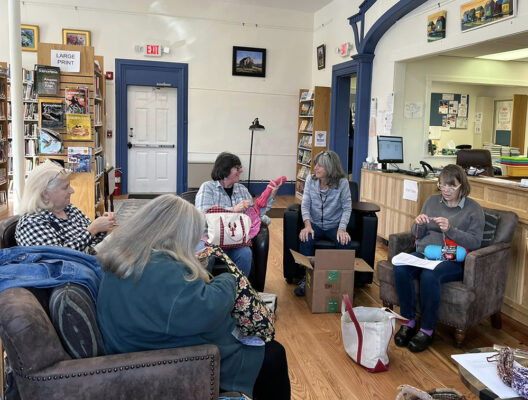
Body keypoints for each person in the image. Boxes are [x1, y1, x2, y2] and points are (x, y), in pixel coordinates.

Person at [96, 194, 290, 399]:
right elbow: (208, 309)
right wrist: (228, 280)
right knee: (273, 354)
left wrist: (188, 265)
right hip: (176, 359)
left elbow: (172, 302)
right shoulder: (161, 270)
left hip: (142, 349)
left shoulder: (128, 256)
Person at [393, 164, 485, 353]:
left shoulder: (473, 209)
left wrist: (451, 230)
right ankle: (409, 322)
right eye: (443, 185)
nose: (446, 190)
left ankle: (427, 330)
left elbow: (475, 242)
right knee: (400, 267)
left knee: (430, 275)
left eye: (452, 186)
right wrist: (418, 224)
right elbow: (415, 233)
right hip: (426, 253)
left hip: (452, 258)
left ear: (462, 186)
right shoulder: (432, 201)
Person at [195, 152, 281, 276]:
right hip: (208, 238)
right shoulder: (207, 188)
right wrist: (233, 209)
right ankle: (204, 292)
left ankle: (240, 291)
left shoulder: (242, 189)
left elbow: (254, 214)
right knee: (204, 256)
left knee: (245, 254)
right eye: (237, 168)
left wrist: (271, 196)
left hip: (234, 240)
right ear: (225, 170)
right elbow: (203, 216)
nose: (241, 171)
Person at [15, 160, 115, 253]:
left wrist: (103, 227)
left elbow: (92, 240)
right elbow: (59, 256)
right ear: (45, 193)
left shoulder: (69, 209)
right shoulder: (31, 223)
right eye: (65, 187)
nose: (72, 191)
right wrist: (92, 230)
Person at [295, 150, 353, 296]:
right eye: (316, 164)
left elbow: (347, 208)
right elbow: (305, 204)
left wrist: (341, 229)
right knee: (306, 237)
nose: (315, 168)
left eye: (320, 166)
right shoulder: (310, 180)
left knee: (345, 243)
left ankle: (344, 282)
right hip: (314, 224)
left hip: (334, 225)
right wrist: (307, 225)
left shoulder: (342, 183)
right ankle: (306, 278)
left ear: (330, 168)